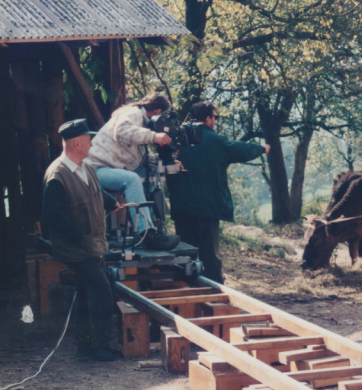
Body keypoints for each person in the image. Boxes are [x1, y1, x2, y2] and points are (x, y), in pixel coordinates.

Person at [42, 119, 120, 361]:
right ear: (76, 143)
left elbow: (94, 190)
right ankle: (101, 348)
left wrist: (112, 202)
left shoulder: (84, 167)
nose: (92, 143)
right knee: (101, 293)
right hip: (77, 248)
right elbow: (52, 216)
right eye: (88, 139)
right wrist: (80, 236)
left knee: (87, 293)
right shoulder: (57, 175)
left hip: (92, 246)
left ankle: (84, 346)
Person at [167, 101, 270, 284]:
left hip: (181, 207)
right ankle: (213, 294)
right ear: (207, 118)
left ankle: (186, 293)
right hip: (206, 209)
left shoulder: (176, 137)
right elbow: (240, 150)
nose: (216, 121)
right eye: (215, 117)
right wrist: (261, 148)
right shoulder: (214, 140)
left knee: (185, 254)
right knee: (209, 257)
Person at [85, 92, 180, 250]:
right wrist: (154, 136)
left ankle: (155, 228)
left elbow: (139, 159)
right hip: (95, 170)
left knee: (149, 171)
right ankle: (146, 234)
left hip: (108, 167)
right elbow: (122, 131)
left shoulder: (142, 124)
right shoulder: (134, 113)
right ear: (158, 111)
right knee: (132, 179)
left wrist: (164, 160)